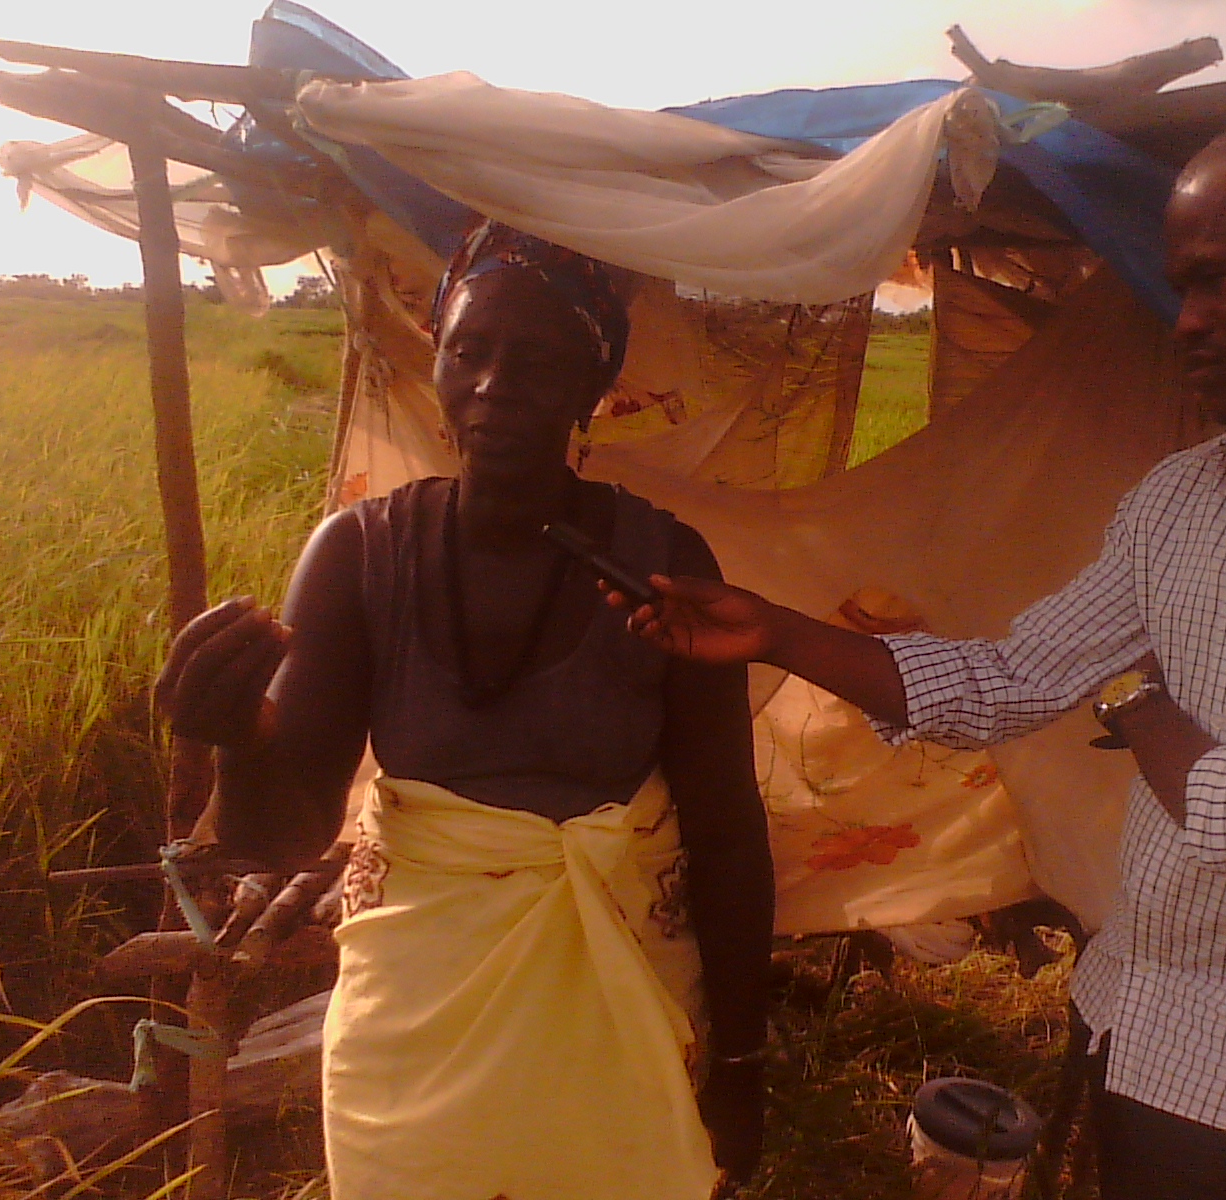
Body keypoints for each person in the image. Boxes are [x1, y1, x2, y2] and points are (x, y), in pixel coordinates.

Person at [610, 104, 1226, 1199]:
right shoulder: (1189, 495)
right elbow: (1007, 682)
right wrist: (776, 631)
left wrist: (1134, 697)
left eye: (1214, 283)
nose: (1186, 322)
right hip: (1129, 1005)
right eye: (1179, 286)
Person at [154, 222, 773, 1200]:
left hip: (619, 996)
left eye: (536, 361)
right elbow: (290, 831)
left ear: (591, 384)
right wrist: (238, 743)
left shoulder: (664, 568)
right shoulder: (360, 557)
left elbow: (727, 827)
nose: (492, 384)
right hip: (414, 1022)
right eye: (469, 350)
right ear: (437, 358)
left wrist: (738, 1059)